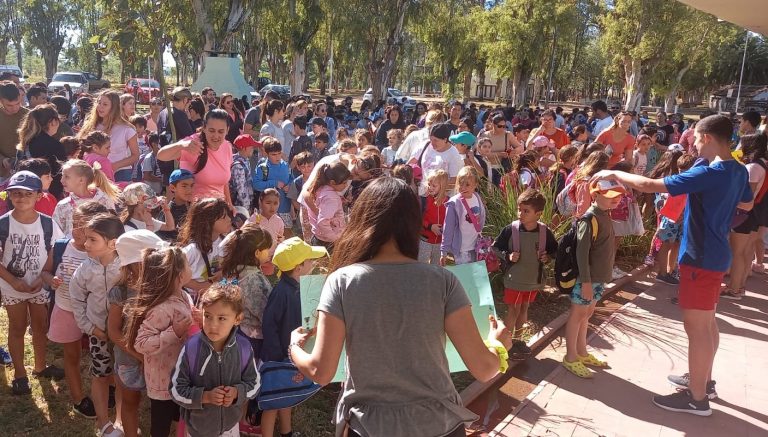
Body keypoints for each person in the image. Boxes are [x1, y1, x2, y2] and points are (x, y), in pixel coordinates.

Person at [289, 177, 512, 437]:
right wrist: (498, 345)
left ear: (361, 219)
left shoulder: (342, 281)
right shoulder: (442, 281)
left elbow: (321, 371)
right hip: (440, 425)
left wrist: (294, 347)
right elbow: (485, 368)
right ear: (414, 223)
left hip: (370, 427)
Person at [592, 114, 753, 416]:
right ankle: (703, 381)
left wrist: (615, 174)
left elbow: (650, 184)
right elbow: (746, 203)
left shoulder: (709, 174)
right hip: (715, 254)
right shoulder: (736, 170)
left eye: (695, 139)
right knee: (708, 323)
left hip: (700, 257)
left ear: (706, 138)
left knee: (698, 329)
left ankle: (697, 398)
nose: (692, 144)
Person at [1, 171, 65, 396]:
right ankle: (20, 373)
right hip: (12, 285)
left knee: (40, 327)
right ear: (8, 196)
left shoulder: (48, 224)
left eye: (28, 193)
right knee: (17, 328)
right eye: (15, 193)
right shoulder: (3, 223)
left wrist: (41, 278)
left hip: (39, 283)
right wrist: (13, 281)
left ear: (39, 195)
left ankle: (40, 366)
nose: (21, 198)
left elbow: (52, 251)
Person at [43, 201, 109, 418]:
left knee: (103, 354)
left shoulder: (102, 251)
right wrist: (50, 280)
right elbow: (45, 272)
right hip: (66, 309)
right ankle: (79, 399)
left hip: (97, 314)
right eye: (74, 222)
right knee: (72, 356)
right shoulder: (62, 246)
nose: (76, 229)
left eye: (82, 225)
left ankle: (108, 388)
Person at [170, 283, 260, 437]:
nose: (213, 325)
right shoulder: (192, 348)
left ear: (237, 319)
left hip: (230, 428)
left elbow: (254, 384)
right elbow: (175, 390)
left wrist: (237, 392)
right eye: (208, 316)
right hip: (199, 429)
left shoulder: (244, 348)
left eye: (222, 318)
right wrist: (205, 396)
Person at [260, 236, 328, 437]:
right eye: (310, 260)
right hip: (279, 355)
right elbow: (269, 325)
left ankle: (286, 432)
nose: (314, 263)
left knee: (286, 394)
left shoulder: (300, 288)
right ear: (298, 267)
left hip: (292, 353)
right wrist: (275, 357)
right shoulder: (281, 292)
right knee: (272, 402)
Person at [126, 246, 195, 437]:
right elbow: (141, 343)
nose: (191, 266)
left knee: (177, 414)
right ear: (179, 275)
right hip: (162, 381)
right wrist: (174, 332)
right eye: (188, 263)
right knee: (160, 426)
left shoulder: (184, 295)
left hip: (179, 374)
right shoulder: (162, 309)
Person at [108, 230, 169, 437]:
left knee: (160, 403)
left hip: (160, 359)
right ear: (136, 263)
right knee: (130, 400)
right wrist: (138, 355)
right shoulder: (121, 291)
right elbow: (114, 331)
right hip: (130, 359)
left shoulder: (163, 287)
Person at [69, 213, 124, 436]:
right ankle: (103, 423)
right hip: (98, 333)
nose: (85, 244)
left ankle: (120, 420)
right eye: (86, 238)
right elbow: (76, 299)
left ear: (112, 243)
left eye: (93, 240)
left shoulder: (126, 267)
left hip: (122, 334)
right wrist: (90, 329)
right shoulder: (85, 269)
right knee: (100, 375)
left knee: (121, 377)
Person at [561, 180, 622, 379]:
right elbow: (581, 253)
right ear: (595, 195)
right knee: (577, 314)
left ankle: (582, 351)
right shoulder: (589, 219)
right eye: (610, 195)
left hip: (598, 278)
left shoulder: (604, 216)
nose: (616, 199)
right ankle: (570, 357)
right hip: (586, 279)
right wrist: (585, 282)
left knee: (586, 314)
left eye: (617, 195)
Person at [492, 189, 557, 359]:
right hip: (515, 279)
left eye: (526, 211)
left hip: (532, 280)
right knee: (513, 310)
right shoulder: (511, 229)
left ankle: (518, 340)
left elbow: (554, 250)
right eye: (519, 209)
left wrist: (547, 256)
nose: (521, 213)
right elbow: (495, 247)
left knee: (524, 307)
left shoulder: (544, 232)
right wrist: (508, 256)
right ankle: (506, 344)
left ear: (538, 214)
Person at [722, 133, 767, 299]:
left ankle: (734, 289)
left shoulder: (753, 167)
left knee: (737, 252)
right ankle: (739, 286)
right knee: (746, 250)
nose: (739, 147)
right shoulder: (763, 164)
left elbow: (748, 193)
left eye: (742, 143)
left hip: (745, 212)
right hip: (755, 213)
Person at [157, 109, 234, 204]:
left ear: (227, 130)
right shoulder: (193, 144)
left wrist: (229, 204)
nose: (216, 135)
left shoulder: (227, 147)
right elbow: (161, 155)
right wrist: (181, 145)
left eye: (221, 132)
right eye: (212, 130)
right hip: (194, 209)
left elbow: (224, 182)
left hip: (218, 209)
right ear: (204, 128)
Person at [219, 224, 272, 355]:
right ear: (257, 253)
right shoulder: (254, 280)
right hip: (252, 339)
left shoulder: (234, 271)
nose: (270, 252)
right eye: (267, 249)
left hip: (235, 333)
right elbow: (264, 314)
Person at [78, 91, 140, 183]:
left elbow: (135, 155)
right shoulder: (90, 125)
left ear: (114, 107)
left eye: (105, 104)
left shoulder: (127, 129)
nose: (100, 106)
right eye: (99, 102)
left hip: (120, 173)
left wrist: (114, 166)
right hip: (93, 172)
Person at [178, 198, 232, 297]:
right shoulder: (193, 249)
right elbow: (175, 274)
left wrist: (222, 273)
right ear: (208, 222)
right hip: (193, 298)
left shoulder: (227, 243)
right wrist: (199, 286)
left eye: (228, 215)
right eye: (223, 217)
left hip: (215, 295)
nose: (229, 219)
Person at [53, 159, 118, 237]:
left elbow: (112, 227)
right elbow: (55, 232)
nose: (61, 180)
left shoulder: (104, 200)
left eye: (67, 177)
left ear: (81, 180)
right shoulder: (63, 206)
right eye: (62, 176)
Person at [16, 103, 67, 198]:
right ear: (53, 122)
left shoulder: (25, 142)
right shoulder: (55, 145)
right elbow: (61, 174)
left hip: (24, 192)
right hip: (48, 195)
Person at [441, 166, 486, 266]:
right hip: (461, 250)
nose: (463, 188)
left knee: (475, 280)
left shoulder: (477, 197)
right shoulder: (454, 203)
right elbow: (448, 228)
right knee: (463, 280)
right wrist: (444, 251)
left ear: (475, 185)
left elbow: (482, 217)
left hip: (476, 247)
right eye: (460, 184)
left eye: (467, 185)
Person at [408, 122, 465, 201]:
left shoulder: (453, 154)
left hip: (440, 199)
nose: (432, 143)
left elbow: (454, 181)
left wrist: (436, 191)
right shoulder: (426, 145)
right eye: (431, 139)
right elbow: (410, 163)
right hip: (420, 194)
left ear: (445, 139)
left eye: (436, 140)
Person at [253, 137, 293, 231]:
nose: (278, 157)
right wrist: (273, 183)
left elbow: (292, 179)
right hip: (267, 211)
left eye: (279, 153)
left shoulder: (285, 165)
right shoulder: (263, 168)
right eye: (273, 154)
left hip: (284, 207)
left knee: (285, 234)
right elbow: (256, 184)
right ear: (267, 154)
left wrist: (289, 185)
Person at [419, 169, 449, 265]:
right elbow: (419, 219)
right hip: (425, 240)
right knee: (422, 267)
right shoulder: (424, 200)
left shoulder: (449, 202)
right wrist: (430, 226)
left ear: (442, 186)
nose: (430, 187)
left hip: (440, 243)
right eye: (429, 184)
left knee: (436, 269)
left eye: (434, 186)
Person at [230, 134, 261, 211]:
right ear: (244, 148)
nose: (253, 149)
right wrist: (247, 209)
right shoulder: (238, 166)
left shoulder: (245, 160)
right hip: (240, 207)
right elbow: (241, 191)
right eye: (251, 147)